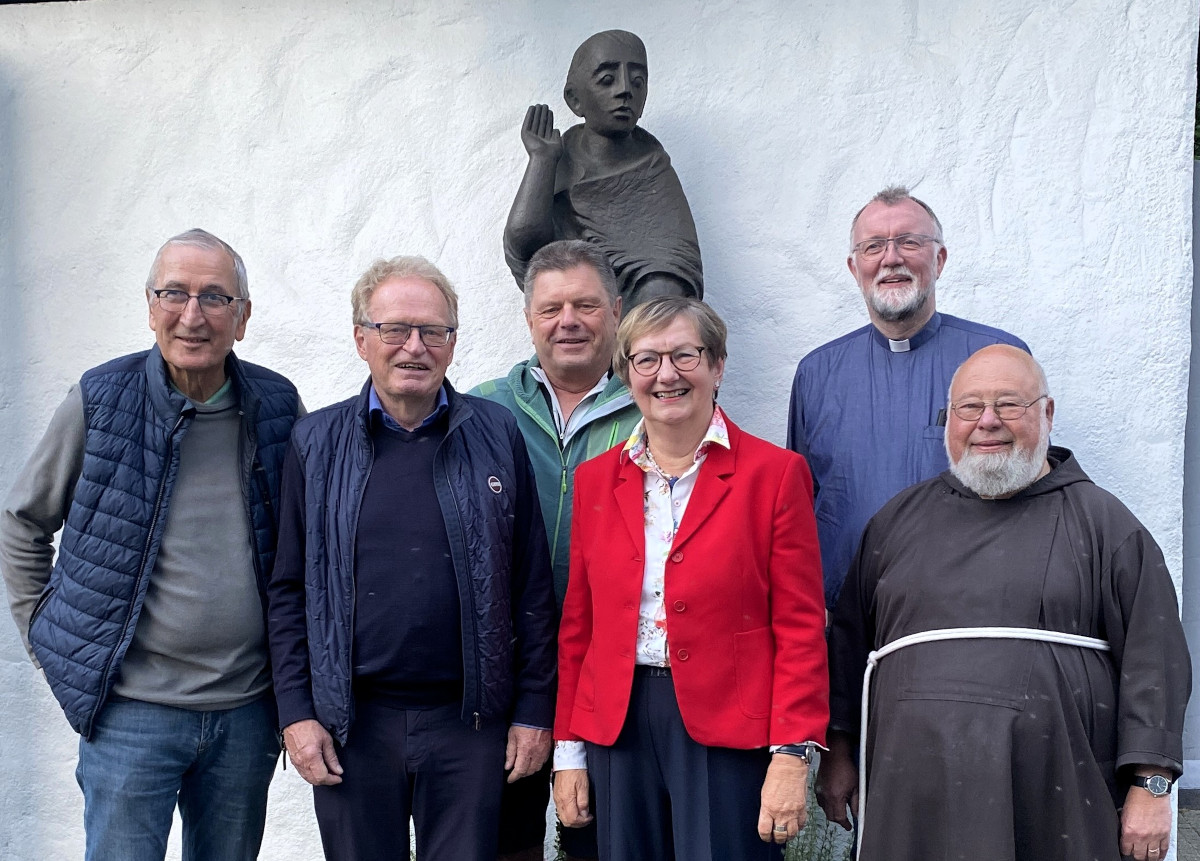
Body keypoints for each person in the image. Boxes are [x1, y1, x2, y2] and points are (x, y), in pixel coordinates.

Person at [0, 229, 303, 861]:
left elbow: (302, 548)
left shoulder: (277, 406)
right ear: (149, 306)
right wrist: (46, 638)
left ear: (242, 318)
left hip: (246, 712)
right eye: (175, 293)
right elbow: (23, 521)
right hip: (131, 715)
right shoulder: (101, 399)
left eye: (216, 297)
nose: (193, 315)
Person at [821, 345, 1191, 861]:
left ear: (1047, 413)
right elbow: (849, 647)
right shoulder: (896, 522)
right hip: (914, 796)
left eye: (1009, 405)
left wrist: (1152, 787)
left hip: (1052, 797)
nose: (987, 422)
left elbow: (1155, 659)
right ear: (948, 420)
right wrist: (838, 751)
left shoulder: (1106, 525)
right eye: (969, 408)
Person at [265, 255, 558, 860]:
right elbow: (290, 590)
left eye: (434, 332)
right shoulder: (315, 443)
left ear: (452, 343)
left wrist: (533, 710)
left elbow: (530, 587)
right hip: (352, 726)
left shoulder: (497, 434)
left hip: (469, 725)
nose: (414, 347)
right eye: (395, 329)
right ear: (361, 340)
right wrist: (296, 714)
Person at [554, 296, 828, 860]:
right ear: (626, 373)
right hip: (618, 725)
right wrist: (568, 751)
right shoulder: (594, 482)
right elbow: (579, 626)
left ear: (717, 366)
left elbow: (800, 627)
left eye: (685, 355)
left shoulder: (774, 476)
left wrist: (791, 754)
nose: (666, 375)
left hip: (728, 727)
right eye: (647, 360)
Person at [471, 239, 641, 861]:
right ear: (528, 318)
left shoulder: (655, 408)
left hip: (613, 670)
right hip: (503, 668)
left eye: (585, 305)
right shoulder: (480, 409)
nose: (567, 320)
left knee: (600, 839)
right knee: (499, 840)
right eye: (551, 308)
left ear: (616, 311)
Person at [787, 186, 1028, 612]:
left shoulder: (997, 359)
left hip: (966, 612)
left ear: (939, 259)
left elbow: (1030, 490)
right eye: (873, 246)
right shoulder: (816, 374)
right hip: (845, 618)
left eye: (909, 242)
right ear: (854, 266)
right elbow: (800, 506)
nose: (891, 257)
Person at [503, 29, 703, 312]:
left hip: (644, 323)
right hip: (577, 305)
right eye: (607, 80)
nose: (625, 90)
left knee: (661, 292)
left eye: (638, 81)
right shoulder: (560, 158)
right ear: (575, 100)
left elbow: (679, 263)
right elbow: (526, 247)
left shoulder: (653, 164)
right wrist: (541, 160)